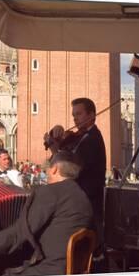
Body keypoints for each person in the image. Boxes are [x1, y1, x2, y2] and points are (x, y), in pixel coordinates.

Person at [0, 151, 93, 276]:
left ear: (54, 169)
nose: (46, 173)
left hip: (49, 272)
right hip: (72, 270)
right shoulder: (83, 196)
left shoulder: (50, 192)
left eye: (48, 169)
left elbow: (21, 232)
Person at [44, 97, 106, 251]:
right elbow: (63, 150)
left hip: (86, 206)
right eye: (73, 115)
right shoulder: (79, 136)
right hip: (77, 202)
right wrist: (55, 131)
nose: (75, 119)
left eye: (79, 114)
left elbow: (69, 170)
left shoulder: (92, 139)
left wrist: (55, 149)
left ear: (91, 115)